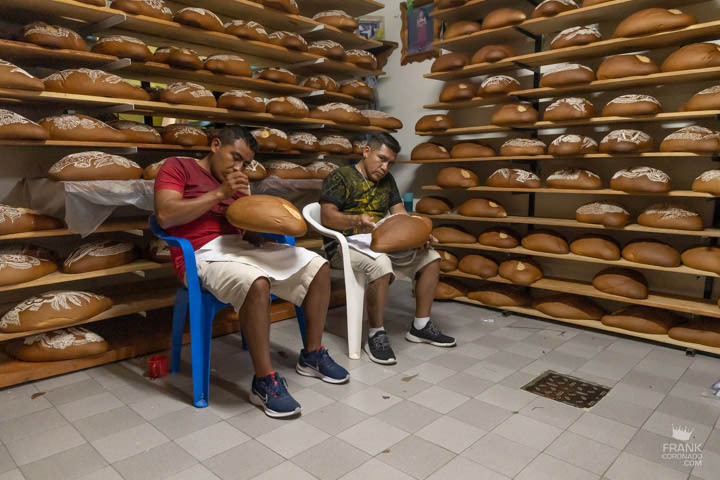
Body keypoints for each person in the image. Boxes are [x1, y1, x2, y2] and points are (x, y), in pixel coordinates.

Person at [154, 125, 349, 418]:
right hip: (200, 254)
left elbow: (249, 232)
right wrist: (221, 193)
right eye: (234, 157)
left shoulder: (238, 183)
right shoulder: (177, 167)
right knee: (256, 283)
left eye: (244, 162)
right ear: (215, 145)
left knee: (317, 265)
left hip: (241, 248)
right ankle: (264, 380)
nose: (238, 167)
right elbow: (166, 216)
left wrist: (255, 214)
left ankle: (311, 354)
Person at [319, 132, 455, 365]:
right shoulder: (340, 176)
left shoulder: (388, 180)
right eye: (381, 159)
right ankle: (376, 333)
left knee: (431, 258)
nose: (385, 167)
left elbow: (399, 214)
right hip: (343, 245)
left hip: (377, 242)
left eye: (390, 162)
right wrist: (354, 221)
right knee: (380, 264)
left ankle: (420, 326)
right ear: (366, 151)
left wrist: (417, 233)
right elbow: (326, 217)